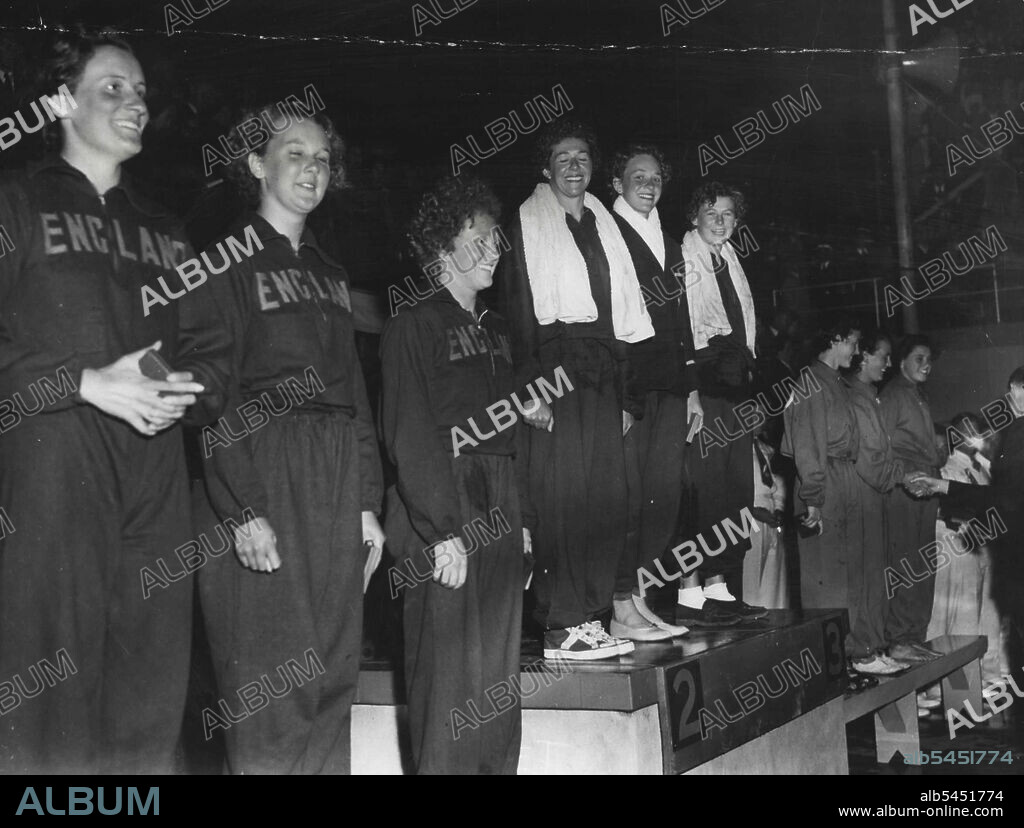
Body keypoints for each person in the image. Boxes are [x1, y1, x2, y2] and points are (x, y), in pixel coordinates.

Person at [0, 31, 204, 773]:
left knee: (149, 694)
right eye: (113, 87)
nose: (136, 103)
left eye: (142, 91)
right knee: (49, 699)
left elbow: (200, 354)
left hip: (154, 481)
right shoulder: (15, 205)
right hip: (53, 469)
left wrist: (186, 387)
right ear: (61, 103)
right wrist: (83, 383)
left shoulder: (167, 233)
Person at [178, 104, 384, 774]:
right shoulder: (224, 263)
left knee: (331, 677)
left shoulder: (327, 272)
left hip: (331, 481)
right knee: (271, 692)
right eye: (295, 154)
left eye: (322, 157)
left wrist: (365, 504)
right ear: (256, 165)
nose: (312, 168)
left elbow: (352, 392)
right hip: (262, 470)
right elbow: (215, 398)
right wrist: (243, 508)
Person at [382, 175, 533, 774]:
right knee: (447, 685)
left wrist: (524, 522)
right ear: (443, 246)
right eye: (483, 237)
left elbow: (511, 437)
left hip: (499, 500)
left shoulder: (497, 331)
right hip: (442, 506)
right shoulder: (412, 325)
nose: (496, 249)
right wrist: (442, 529)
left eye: (498, 239)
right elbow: (410, 435)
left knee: (496, 682)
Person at [498, 120, 653, 660]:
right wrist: (528, 391)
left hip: (603, 374)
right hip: (553, 371)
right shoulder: (526, 223)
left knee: (605, 500)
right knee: (561, 499)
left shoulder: (604, 226)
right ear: (546, 169)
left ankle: (590, 616)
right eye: (562, 158)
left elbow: (622, 316)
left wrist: (628, 397)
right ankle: (560, 624)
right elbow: (516, 315)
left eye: (582, 157)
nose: (573, 166)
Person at [784, 319, 903, 681]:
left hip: (844, 478)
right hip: (824, 482)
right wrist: (813, 499)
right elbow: (807, 447)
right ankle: (830, 663)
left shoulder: (835, 380)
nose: (855, 350)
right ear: (834, 340)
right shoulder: (809, 381)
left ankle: (857, 654)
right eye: (852, 343)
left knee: (852, 575)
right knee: (828, 578)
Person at [610, 144, 696, 641]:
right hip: (634, 385)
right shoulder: (608, 231)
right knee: (629, 496)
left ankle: (637, 600)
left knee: (660, 499)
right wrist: (622, 393)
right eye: (636, 175)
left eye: (655, 175)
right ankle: (620, 607)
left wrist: (692, 390)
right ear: (617, 184)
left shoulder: (669, 240)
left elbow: (681, 318)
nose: (648, 183)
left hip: (671, 386)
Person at [675, 182, 765, 626]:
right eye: (711, 212)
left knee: (734, 494)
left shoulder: (732, 263)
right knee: (703, 493)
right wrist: (692, 389)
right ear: (695, 217)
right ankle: (690, 598)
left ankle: (719, 587)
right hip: (704, 386)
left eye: (728, 214)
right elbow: (681, 332)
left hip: (735, 388)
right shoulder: (682, 260)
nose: (720, 221)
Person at [843, 330, 912, 675]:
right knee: (866, 575)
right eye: (883, 356)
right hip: (865, 494)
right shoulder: (856, 399)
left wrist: (897, 474)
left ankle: (874, 644)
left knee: (878, 573)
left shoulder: (870, 396)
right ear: (864, 357)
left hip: (878, 493)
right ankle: (863, 651)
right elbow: (869, 459)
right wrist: (897, 478)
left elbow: (886, 452)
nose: (887, 364)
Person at [880, 334, 942, 664]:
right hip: (906, 488)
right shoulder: (893, 395)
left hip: (925, 484)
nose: (926, 364)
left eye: (929, 358)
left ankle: (914, 636)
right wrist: (904, 477)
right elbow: (881, 448)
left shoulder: (916, 394)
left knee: (923, 564)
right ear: (902, 361)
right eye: (919, 358)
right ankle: (899, 639)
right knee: (906, 563)